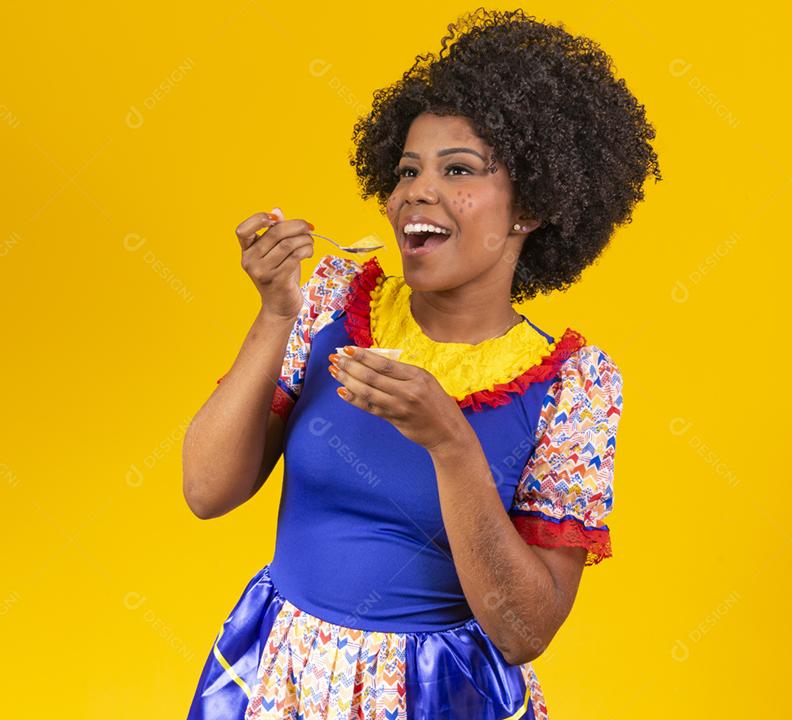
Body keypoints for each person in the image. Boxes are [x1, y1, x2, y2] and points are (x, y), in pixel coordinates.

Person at [182, 7, 660, 719]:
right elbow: (206, 490)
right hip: (280, 674)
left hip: (446, 693)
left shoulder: (573, 385)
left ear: (530, 205)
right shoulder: (332, 303)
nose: (416, 192)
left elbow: (524, 630)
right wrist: (276, 313)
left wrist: (449, 441)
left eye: (458, 169)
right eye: (407, 170)